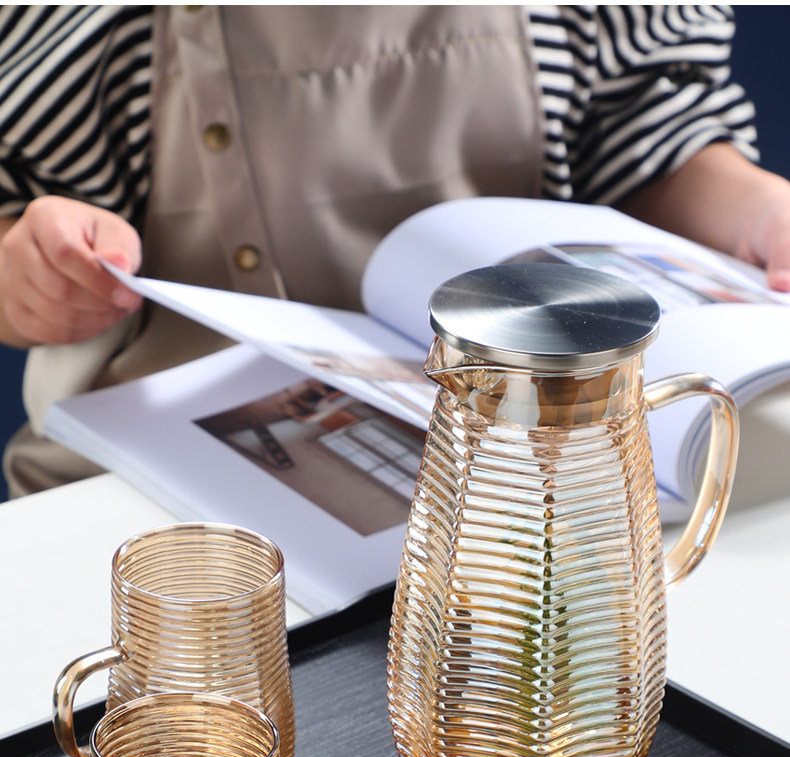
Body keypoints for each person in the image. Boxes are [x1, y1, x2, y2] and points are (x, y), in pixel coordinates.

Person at [0, 4, 788, 497]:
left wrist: (759, 210)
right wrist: (27, 273)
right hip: (149, 490)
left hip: (521, 475)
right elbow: (18, 208)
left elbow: (647, 131)